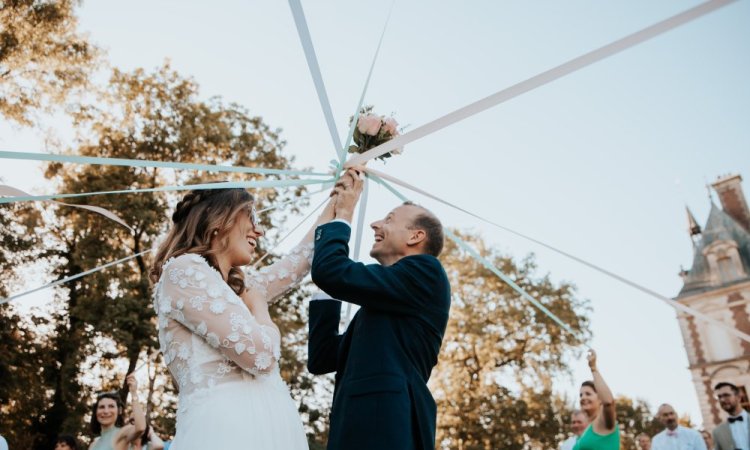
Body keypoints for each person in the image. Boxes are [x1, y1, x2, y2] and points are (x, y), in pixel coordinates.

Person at [150, 186, 335, 449]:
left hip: (273, 428)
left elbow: (296, 263)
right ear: (219, 220)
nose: (258, 230)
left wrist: (339, 204)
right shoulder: (184, 271)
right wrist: (260, 308)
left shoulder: (238, 288)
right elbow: (260, 355)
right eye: (251, 217)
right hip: (225, 430)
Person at [308, 168, 452, 450]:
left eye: (388, 219)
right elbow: (322, 358)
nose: (375, 224)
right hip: (352, 427)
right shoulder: (386, 302)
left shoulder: (427, 272)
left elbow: (332, 271)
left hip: (387, 425)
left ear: (415, 236)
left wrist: (344, 214)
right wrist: (326, 290)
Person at [573, 349, 619, 450]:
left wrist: (593, 368)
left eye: (588, 394)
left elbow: (608, 402)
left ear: (599, 399)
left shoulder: (604, 421)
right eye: (581, 395)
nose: (583, 397)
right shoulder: (587, 430)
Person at [89, 373, 145, 450]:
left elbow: (140, 428)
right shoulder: (93, 445)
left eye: (111, 406)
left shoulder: (122, 433)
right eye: (102, 407)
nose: (106, 411)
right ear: (96, 412)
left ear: (119, 411)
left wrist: (133, 393)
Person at [712, 382, 749, 450]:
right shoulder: (717, 432)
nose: (722, 400)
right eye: (719, 397)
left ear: (738, 397)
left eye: (726, 395)